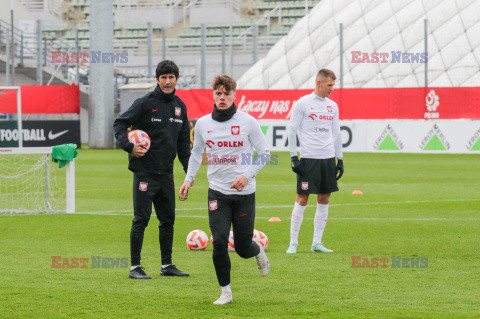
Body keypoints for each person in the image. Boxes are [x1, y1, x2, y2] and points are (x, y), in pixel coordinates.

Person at [178, 74, 270, 305]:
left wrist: (246, 176)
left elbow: (265, 154)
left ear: (234, 95)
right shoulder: (203, 123)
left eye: (226, 94)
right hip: (217, 192)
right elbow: (197, 153)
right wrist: (188, 179)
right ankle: (226, 293)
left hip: (244, 193)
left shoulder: (248, 122)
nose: (222, 98)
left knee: (241, 248)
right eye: (218, 93)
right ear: (213, 95)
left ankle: (257, 250)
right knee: (218, 242)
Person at [113, 60, 191, 279]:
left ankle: (167, 265)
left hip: (166, 174)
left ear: (176, 79)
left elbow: (184, 143)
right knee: (141, 219)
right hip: (145, 173)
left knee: (168, 220)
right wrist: (129, 146)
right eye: (163, 77)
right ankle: (135, 267)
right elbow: (120, 123)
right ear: (157, 79)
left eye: (171, 77)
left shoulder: (180, 107)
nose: (167, 82)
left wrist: (189, 173)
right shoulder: (145, 103)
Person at [286, 68, 344, 254]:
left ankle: (316, 243)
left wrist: (340, 159)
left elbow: (336, 134)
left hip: (327, 159)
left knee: (324, 198)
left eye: (333, 85)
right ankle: (293, 243)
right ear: (319, 83)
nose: (332, 89)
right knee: (302, 199)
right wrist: (294, 157)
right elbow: (292, 130)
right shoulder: (303, 103)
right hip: (309, 159)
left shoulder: (332, 106)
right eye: (329, 85)